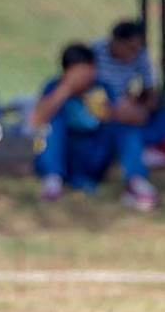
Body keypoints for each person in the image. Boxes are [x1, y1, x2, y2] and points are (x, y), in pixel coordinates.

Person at [28, 43, 148, 205]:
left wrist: (111, 113)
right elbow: (35, 120)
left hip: (94, 155)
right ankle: (52, 181)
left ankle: (136, 182)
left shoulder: (102, 88)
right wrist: (66, 89)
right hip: (64, 155)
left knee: (123, 125)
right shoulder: (55, 87)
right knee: (51, 122)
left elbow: (140, 117)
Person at [88, 20, 165, 209]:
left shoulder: (141, 56)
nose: (132, 54)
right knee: (125, 127)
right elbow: (87, 91)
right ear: (115, 42)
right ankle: (137, 178)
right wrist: (117, 109)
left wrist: (140, 107)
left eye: (136, 49)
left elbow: (151, 94)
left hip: (130, 110)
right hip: (101, 111)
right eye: (129, 48)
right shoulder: (95, 52)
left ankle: (147, 161)